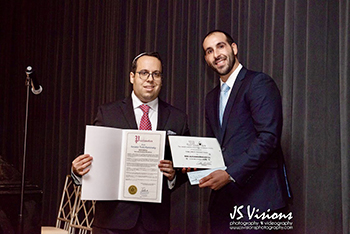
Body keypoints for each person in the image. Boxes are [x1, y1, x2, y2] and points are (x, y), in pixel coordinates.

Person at [71, 52, 190, 234]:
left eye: (156, 74)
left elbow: (186, 169)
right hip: (111, 222)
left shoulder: (177, 118)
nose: (150, 79)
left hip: (155, 224)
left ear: (161, 79)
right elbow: (89, 159)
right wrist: (77, 171)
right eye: (144, 73)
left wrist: (173, 176)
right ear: (132, 77)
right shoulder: (108, 113)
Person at [199, 30, 292, 233]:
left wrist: (230, 174)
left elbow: (269, 138)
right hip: (223, 204)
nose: (216, 54)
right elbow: (215, 145)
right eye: (209, 51)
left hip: (259, 202)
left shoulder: (258, 83)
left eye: (220, 46)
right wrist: (194, 164)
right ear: (206, 59)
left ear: (234, 48)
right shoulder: (211, 98)